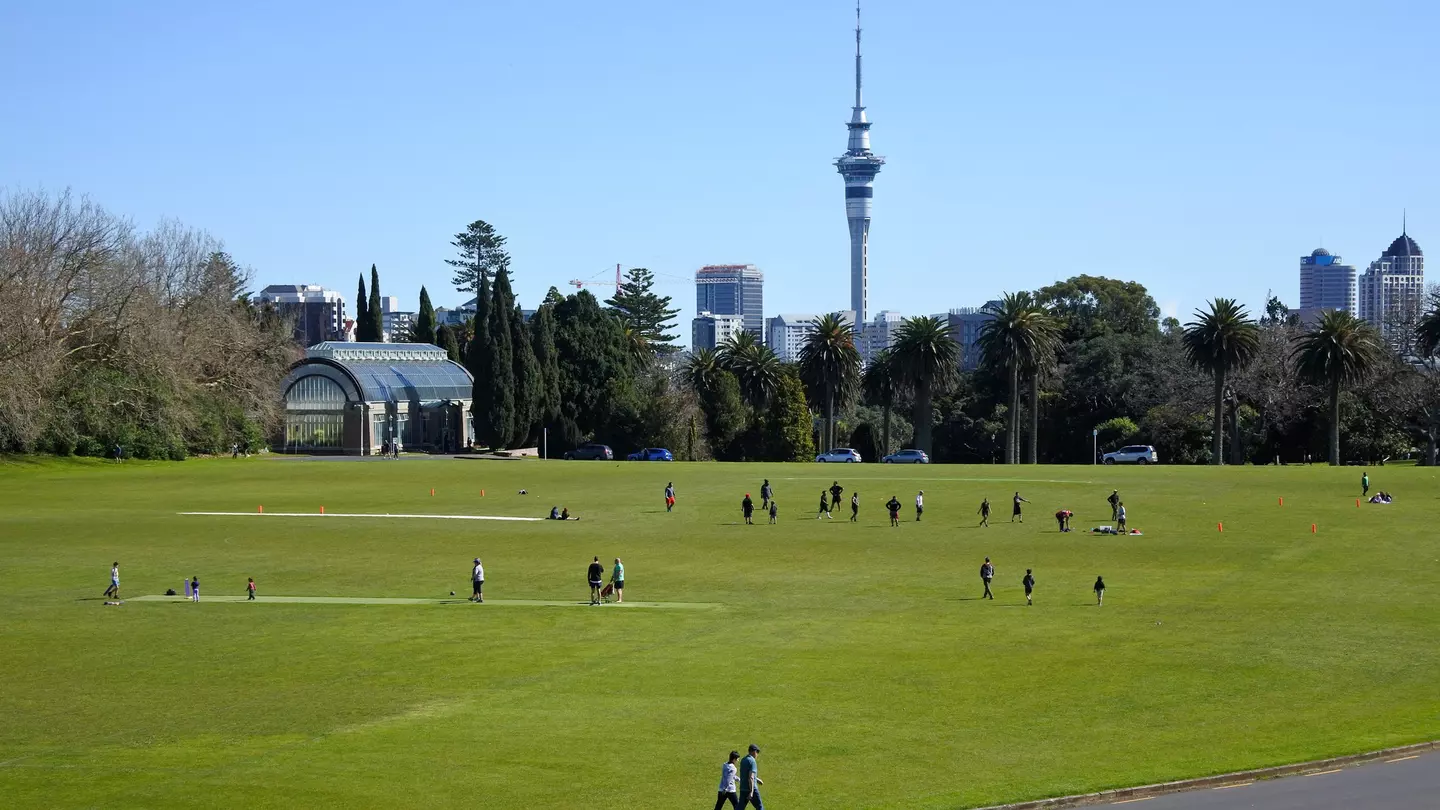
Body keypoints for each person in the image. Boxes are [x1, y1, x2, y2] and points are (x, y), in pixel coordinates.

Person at [738, 744, 763, 810]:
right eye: (757, 752)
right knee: (760, 807)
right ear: (753, 751)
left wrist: (757, 779)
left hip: (743, 788)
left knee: (740, 808)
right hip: (751, 789)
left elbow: (745, 774)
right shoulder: (752, 761)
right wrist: (751, 792)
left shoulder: (743, 760)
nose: (757, 754)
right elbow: (751, 777)